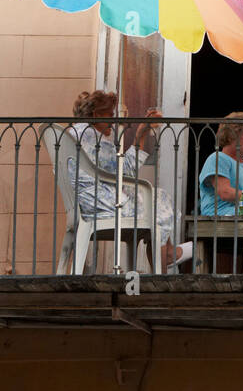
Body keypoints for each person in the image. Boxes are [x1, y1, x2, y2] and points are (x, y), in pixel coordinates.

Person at [66, 90, 191, 272]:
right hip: (103, 204)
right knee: (158, 200)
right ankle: (163, 268)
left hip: (87, 202)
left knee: (156, 198)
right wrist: (142, 134)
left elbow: (117, 171)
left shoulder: (73, 133)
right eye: (110, 114)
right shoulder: (91, 136)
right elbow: (127, 170)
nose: (114, 119)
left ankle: (168, 254)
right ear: (96, 115)